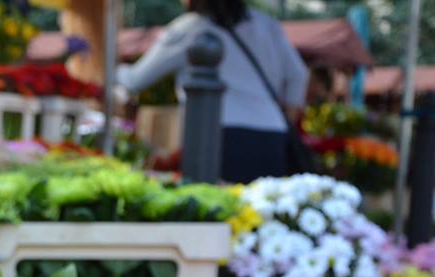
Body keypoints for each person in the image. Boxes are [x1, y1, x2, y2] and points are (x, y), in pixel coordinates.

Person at [116, 0, 308, 183]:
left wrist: (111, 68)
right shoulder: (265, 23)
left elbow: (134, 80)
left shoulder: (190, 27)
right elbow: (298, 75)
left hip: (217, 137)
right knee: (260, 212)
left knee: (221, 212)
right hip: (272, 135)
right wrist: (286, 117)